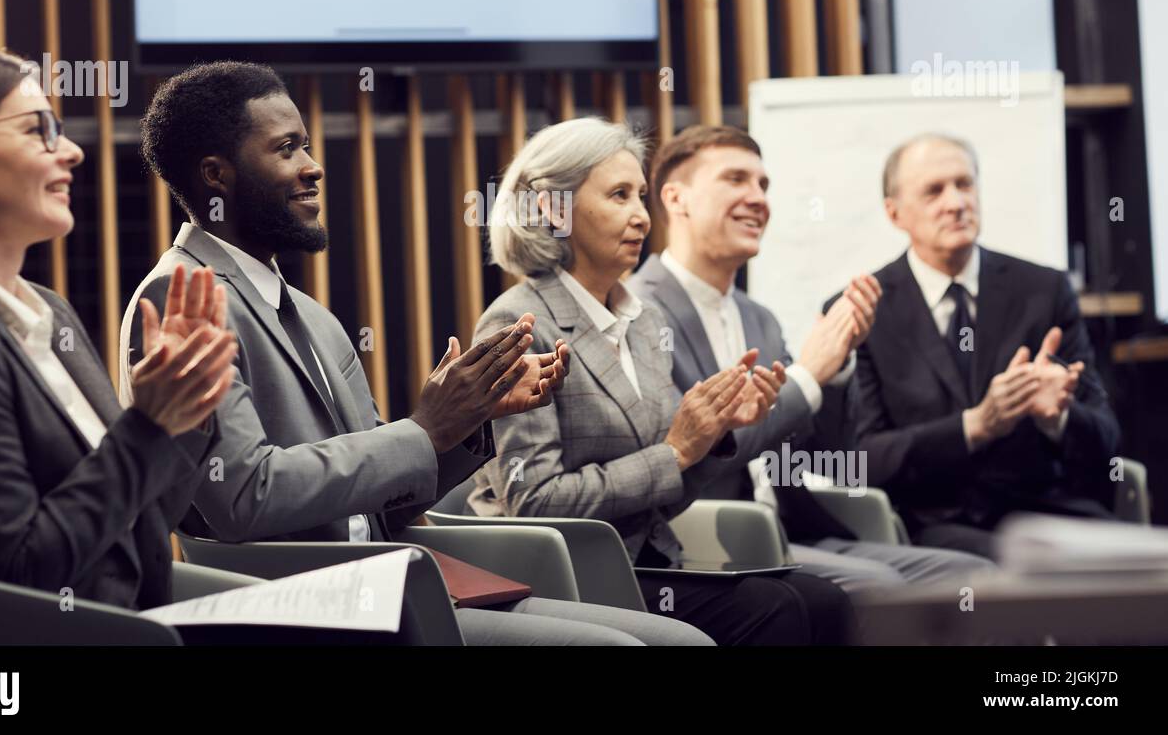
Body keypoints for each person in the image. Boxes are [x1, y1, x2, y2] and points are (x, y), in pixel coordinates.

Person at [123, 61, 714, 645]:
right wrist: (424, 429)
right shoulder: (182, 298)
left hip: (390, 579)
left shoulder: (312, 316)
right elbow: (243, 496)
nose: (313, 167)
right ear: (215, 175)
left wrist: (466, 418)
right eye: (285, 150)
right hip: (301, 604)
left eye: (305, 146)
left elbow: (389, 502)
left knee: (680, 640)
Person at [0, 43, 236, 613]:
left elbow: (141, 524)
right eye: (39, 130)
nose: (72, 151)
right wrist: (146, 424)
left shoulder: (48, 309)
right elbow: (17, 578)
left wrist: (185, 409)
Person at [470, 117, 856, 644]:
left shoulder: (644, 320)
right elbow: (534, 503)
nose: (641, 217)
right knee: (773, 610)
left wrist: (711, 437)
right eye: (619, 195)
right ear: (552, 208)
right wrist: (675, 452)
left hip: (647, 560)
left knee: (823, 601)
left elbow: (660, 495)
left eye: (641, 196)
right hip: (565, 579)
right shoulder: (519, 323)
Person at [630, 125, 997, 589]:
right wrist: (808, 375)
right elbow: (690, 451)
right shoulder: (638, 311)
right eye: (736, 179)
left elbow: (821, 456)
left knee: (972, 576)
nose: (758, 197)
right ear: (677, 199)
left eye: (763, 185)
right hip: (709, 538)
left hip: (796, 527)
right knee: (880, 587)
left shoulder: (757, 317)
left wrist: (839, 370)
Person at [841, 133, 1120, 559]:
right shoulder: (864, 310)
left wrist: (1058, 419)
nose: (955, 202)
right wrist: (976, 425)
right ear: (894, 213)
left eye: (965, 184)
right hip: (936, 526)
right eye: (934, 190)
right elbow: (864, 460)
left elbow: (1107, 439)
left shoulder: (1043, 291)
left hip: (1050, 514)